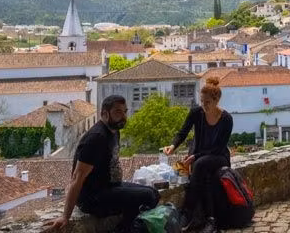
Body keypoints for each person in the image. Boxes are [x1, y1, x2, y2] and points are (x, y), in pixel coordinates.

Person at [46, 95, 159, 232]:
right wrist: (65, 216)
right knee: (148, 196)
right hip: (92, 197)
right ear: (105, 114)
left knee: (154, 193)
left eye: (125, 112)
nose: (124, 117)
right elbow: (77, 178)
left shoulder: (114, 131)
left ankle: (124, 228)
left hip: (110, 187)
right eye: (118, 112)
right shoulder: (96, 138)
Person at [164, 77, 233, 233]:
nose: (204, 105)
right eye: (202, 101)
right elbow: (183, 132)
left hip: (218, 156)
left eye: (207, 102)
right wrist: (173, 146)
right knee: (205, 174)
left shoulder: (226, 119)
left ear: (216, 100)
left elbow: (218, 147)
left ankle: (187, 212)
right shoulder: (196, 113)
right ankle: (211, 220)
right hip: (199, 156)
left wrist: (195, 157)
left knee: (200, 164)